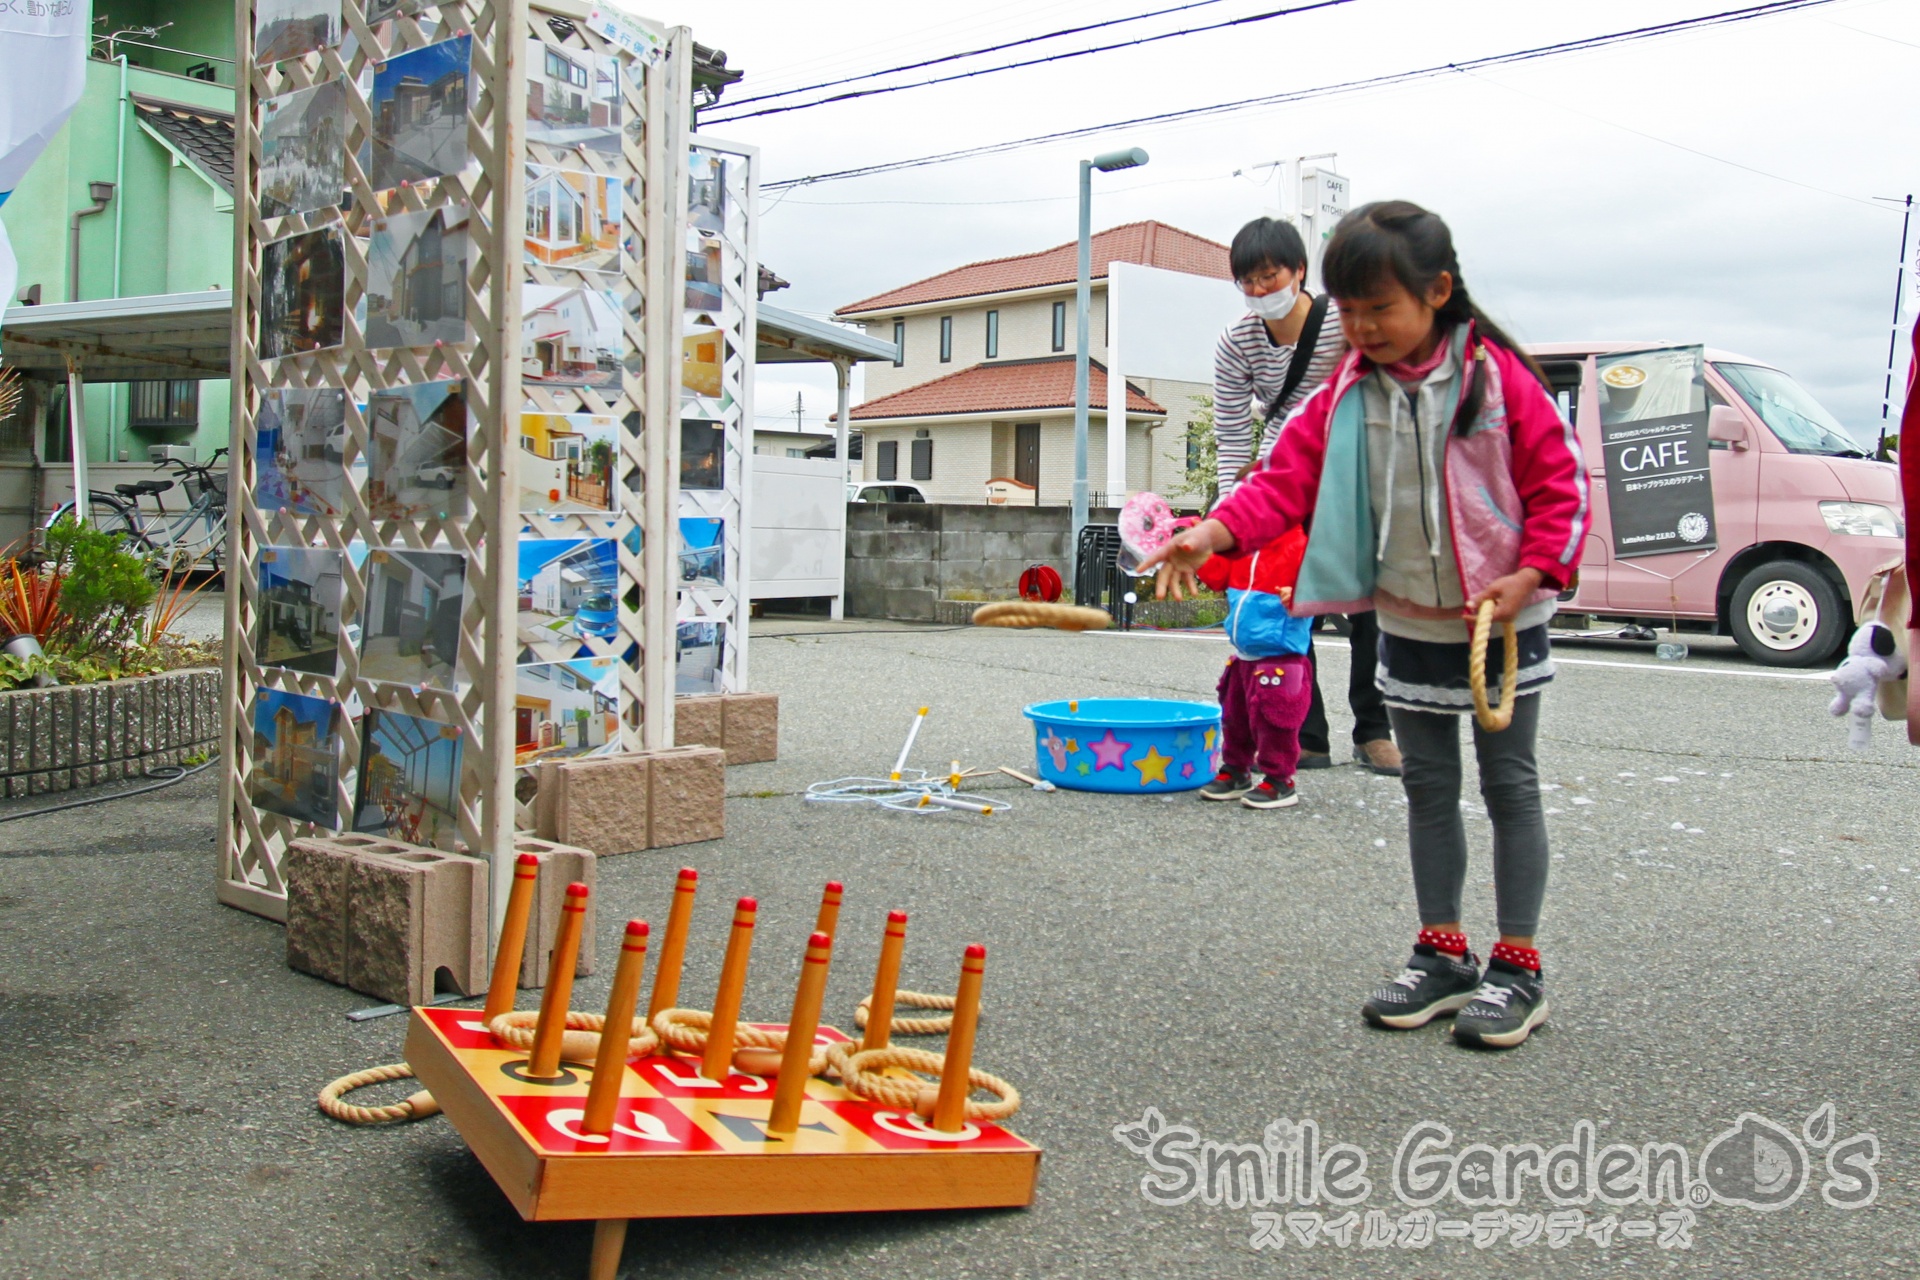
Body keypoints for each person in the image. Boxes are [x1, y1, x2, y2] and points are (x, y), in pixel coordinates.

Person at [1148, 200, 1590, 1050]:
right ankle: (1442, 954)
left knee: (1509, 785)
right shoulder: (1347, 391)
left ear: (1438, 293)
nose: (1362, 327)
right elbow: (1283, 481)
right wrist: (1211, 530)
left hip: (1502, 621)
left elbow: (1562, 493)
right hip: (1410, 618)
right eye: (1349, 312)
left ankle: (1520, 967)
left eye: (1379, 308)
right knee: (1428, 788)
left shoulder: (1497, 380)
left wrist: (1531, 575)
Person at [1211, 217, 1400, 778]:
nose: (1260, 292)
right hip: (1280, 482)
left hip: (1355, 473)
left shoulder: (1344, 325)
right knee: (1290, 605)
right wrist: (1232, 516)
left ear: (1299, 271)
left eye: (1270, 277)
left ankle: (1374, 730)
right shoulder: (1236, 341)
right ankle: (1304, 735)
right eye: (1247, 282)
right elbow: (1230, 432)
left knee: (1371, 609)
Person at [1195, 524, 1313, 809]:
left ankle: (1280, 780)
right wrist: (1197, 550)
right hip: (1244, 655)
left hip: (1281, 657)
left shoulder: (1301, 546)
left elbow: (1325, 586)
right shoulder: (1242, 546)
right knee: (1235, 716)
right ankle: (1236, 770)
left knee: (1275, 722)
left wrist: (1301, 596)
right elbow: (1216, 575)